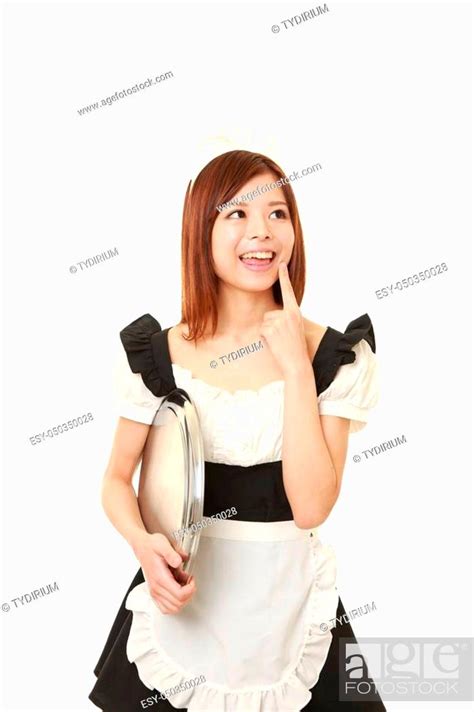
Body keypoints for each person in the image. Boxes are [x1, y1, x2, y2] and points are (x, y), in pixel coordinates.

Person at [88, 149, 386, 711]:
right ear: (202, 229)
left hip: (290, 605)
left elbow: (312, 507)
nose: (262, 233)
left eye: (278, 213)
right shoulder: (157, 357)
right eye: (237, 215)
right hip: (181, 603)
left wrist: (296, 366)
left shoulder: (333, 358)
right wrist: (144, 548)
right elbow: (114, 479)